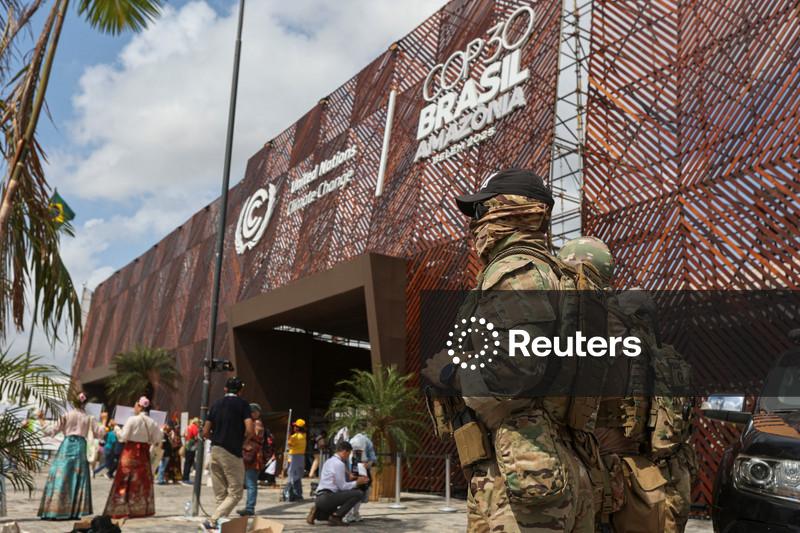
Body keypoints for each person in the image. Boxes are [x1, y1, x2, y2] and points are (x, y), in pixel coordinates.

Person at [422, 169, 600, 532]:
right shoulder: (560, 276)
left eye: (480, 210)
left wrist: (450, 374)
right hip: (550, 464)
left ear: (505, 210)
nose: (475, 223)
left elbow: (512, 372)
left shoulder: (515, 270)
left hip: (522, 472)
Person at [37, 392, 106, 520]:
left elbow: (50, 431)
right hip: (81, 447)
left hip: (67, 446)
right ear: (85, 403)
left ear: (73, 402)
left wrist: (41, 420)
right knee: (77, 477)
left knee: (60, 476)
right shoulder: (89, 418)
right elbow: (100, 433)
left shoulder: (67, 415)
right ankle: (74, 511)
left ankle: (55, 510)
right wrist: (104, 420)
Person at [203, 376, 254, 531]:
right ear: (240, 391)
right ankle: (213, 521)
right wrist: (243, 442)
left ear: (225, 389)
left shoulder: (216, 404)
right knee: (236, 492)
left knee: (221, 494)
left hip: (215, 450)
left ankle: (219, 526)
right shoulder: (243, 405)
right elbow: (250, 429)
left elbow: (205, 431)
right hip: (232, 452)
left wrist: (216, 438)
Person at [103, 396, 161, 518]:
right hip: (143, 454)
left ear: (139, 406)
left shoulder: (132, 419)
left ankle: (121, 508)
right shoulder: (152, 422)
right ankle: (139, 509)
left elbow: (123, 437)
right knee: (141, 481)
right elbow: (157, 439)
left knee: (124, 479)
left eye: (135, 405)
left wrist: (116, 427)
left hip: (130, 452)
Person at [306, 441, 370, 527]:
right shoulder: (339, 464)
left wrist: (351, 478)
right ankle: (336, 517)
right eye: (348, 454)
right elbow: (342, 487)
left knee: (325, 517)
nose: (348, 457)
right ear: (344, 452)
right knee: (358, 493)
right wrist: (357, 482)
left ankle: (317, 512)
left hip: (320, 497)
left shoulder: (329, 461)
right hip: (327, 497)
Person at [237, 403, 265, 516]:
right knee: (248, 483)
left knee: (251, 483)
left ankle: (249, 508)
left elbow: (253, 435)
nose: (250, 414)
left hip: (253, 456)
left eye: (252, 412)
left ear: (257, 413)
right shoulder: (253, 422)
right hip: (249, 455)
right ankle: (249, 507)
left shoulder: (257, 423)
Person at [345, 431, 376, 523]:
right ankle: (350, 513)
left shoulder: (366, 442)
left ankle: (354, 513)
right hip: (355, 468)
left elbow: (372, 458)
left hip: (360, 469)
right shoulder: (354, 442)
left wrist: (368, 464)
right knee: (354, 491)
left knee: (360, 490)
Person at [285, 418, 307, 501]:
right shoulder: (304, 435)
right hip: (300, 457)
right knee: (297, 476)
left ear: (298, 428)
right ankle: (298, 494)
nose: (294, 427)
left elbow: (289, 444)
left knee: (292, 476)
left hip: (294, 457)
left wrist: (289, 436)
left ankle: (293, 494)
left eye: (295, 426)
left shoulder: (296, 437)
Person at [182, 417, 201, 484]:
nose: (199, 424)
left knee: (187, 462)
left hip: (187, 444)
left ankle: (185, 477)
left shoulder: (188, 427)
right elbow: (196, 436)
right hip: (191, 446)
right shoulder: (194, 427)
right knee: (189, 462)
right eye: (198, 422)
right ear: (196, 422)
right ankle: (186, 478)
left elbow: (184, 435)